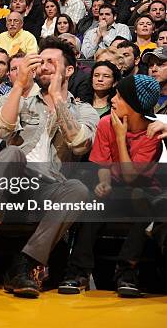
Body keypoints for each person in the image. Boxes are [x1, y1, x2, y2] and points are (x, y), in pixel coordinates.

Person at [0, 37, 99, 298]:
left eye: (51, 63)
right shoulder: (24, 101)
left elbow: (79, 144)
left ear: (69, 70)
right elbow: (0, 129)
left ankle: (25, 264)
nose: (43, 67)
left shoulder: (85, 110)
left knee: (77, 189)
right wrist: (19, 85)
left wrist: (56, 97)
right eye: (40, 62)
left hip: (49, 188)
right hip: (11, 184)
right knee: (12, 153)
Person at [59, 75, 163, 298]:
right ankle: (78, 271)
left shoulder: (152, 134)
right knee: (93, 201)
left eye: (119, 96)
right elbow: (102, 164)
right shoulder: (107, 122)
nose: (113, 100)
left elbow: (130, 177)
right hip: (115, 190)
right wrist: (104, 184)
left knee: (140, 199)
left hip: (142, 190)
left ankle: (127, 271)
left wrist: (120, 136)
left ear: (135, 105)